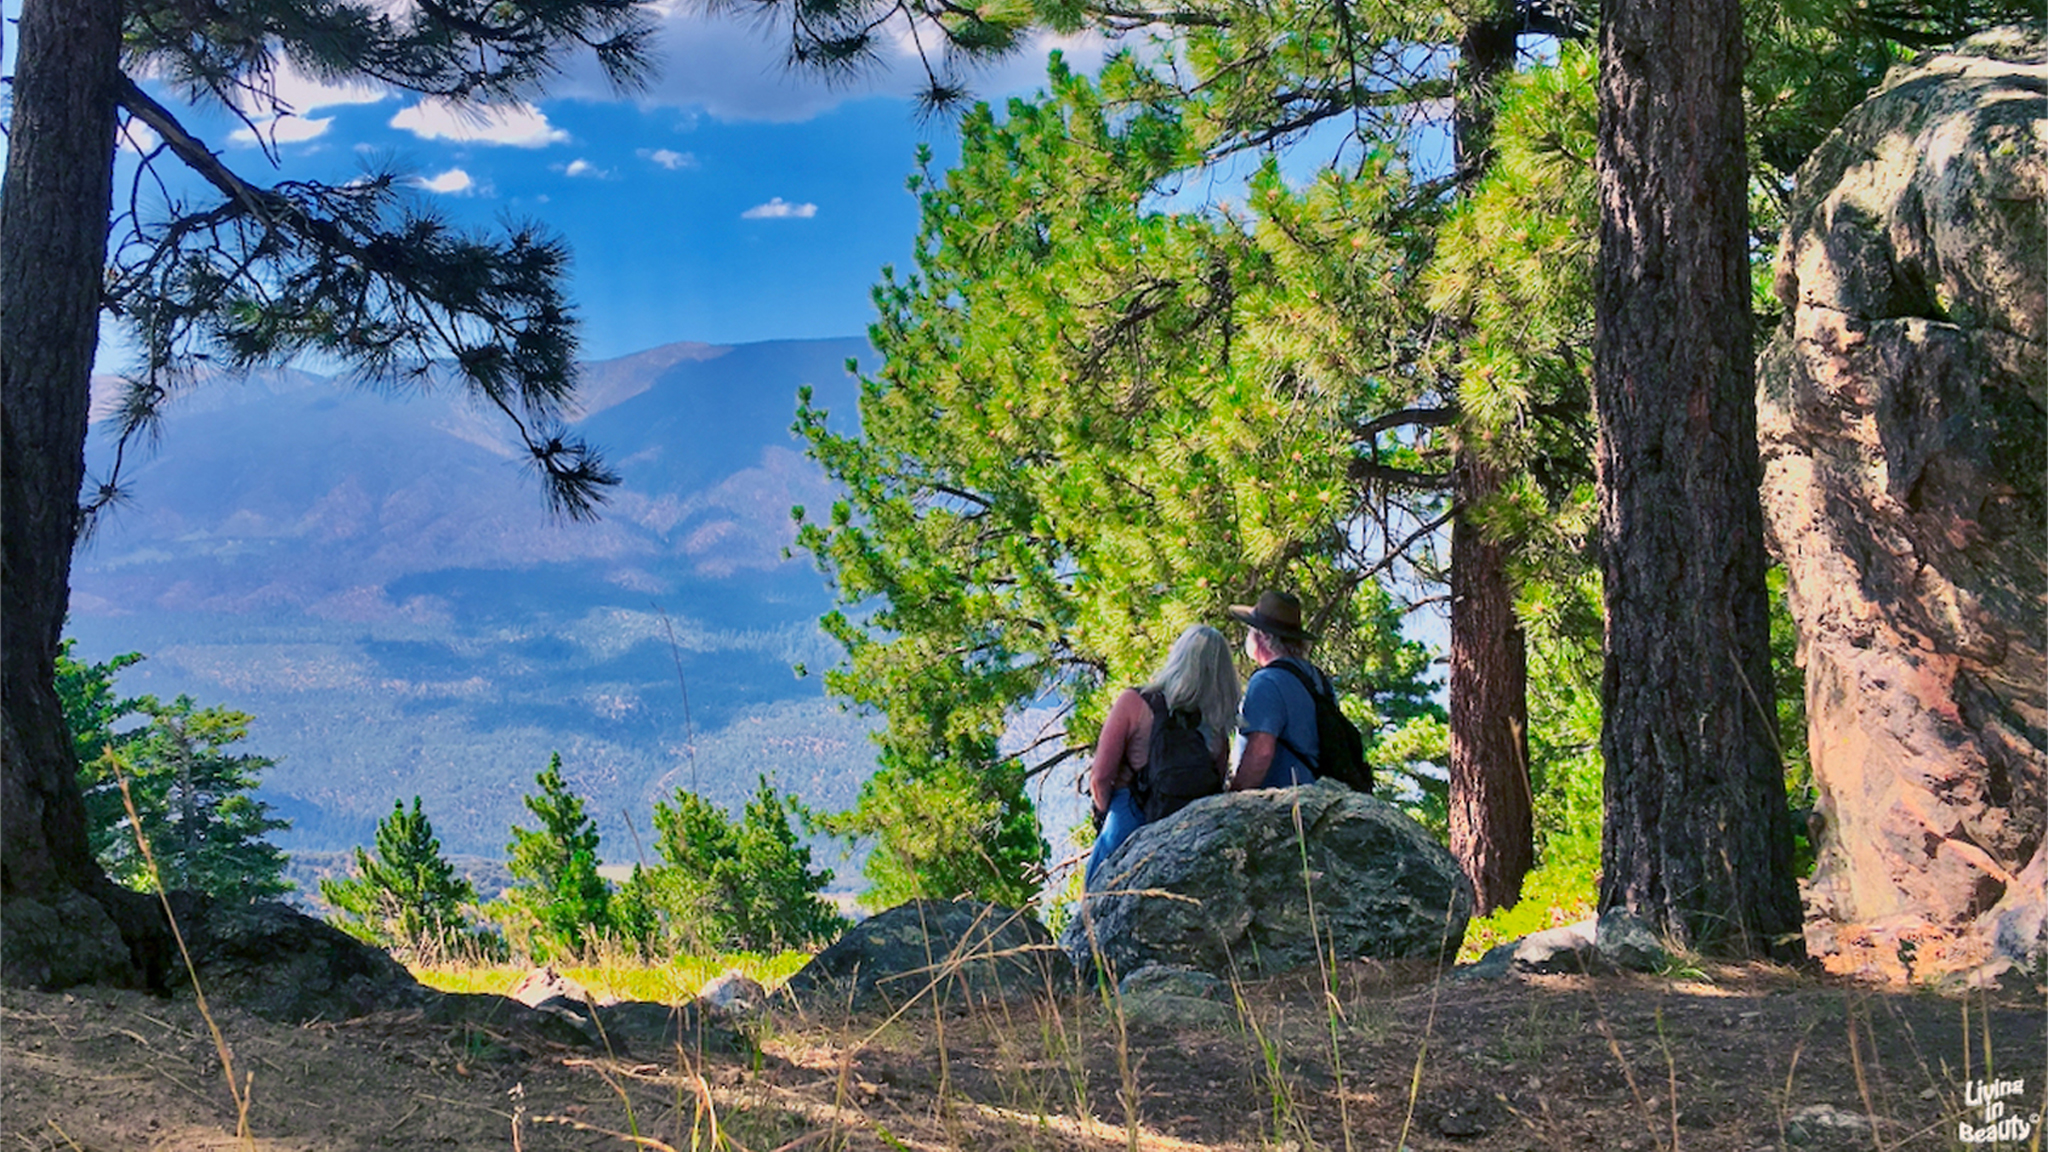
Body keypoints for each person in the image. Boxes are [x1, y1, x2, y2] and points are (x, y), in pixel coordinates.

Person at [1085, 624, 1240, 887]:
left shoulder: (1135, 702)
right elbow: (1217, 779)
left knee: (1095, 906)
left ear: (1176, 657)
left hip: (1130, 818)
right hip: (1189, 831)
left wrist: (1102, 817)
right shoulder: (1216, 724)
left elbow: (1100, 777)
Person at [1227, 590, 1330, 791]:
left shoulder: (1266, 681)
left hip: (1284, 804)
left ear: (1263, 636)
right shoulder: (1318, 679)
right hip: (1319, 797)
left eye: (1251, 630)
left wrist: (1234, 799)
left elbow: (1261, 751)